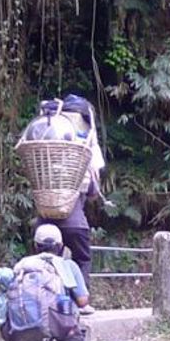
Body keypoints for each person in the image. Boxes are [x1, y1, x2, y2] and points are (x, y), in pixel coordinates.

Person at [56, 94, 106, 285]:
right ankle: (81, 302)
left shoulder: (50, 140)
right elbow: (94, 190)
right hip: (73, 220)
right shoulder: (88, 144)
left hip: (43, 220)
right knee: (82, 259)